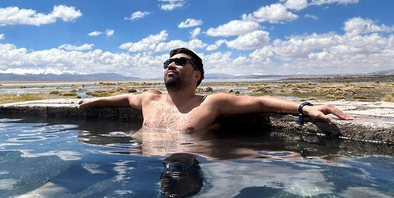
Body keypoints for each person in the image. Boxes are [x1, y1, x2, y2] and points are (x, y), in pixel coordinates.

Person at [79, 47, 352, 132]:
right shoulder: (150, 98)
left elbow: (259, 102)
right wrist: (92, 103)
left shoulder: (210, 103)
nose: (171, 65)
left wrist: (305, 108)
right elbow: (125, 98)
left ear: (196, 74)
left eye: (180, 62)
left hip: (188, 165)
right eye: (168, 62)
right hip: (141, 170)